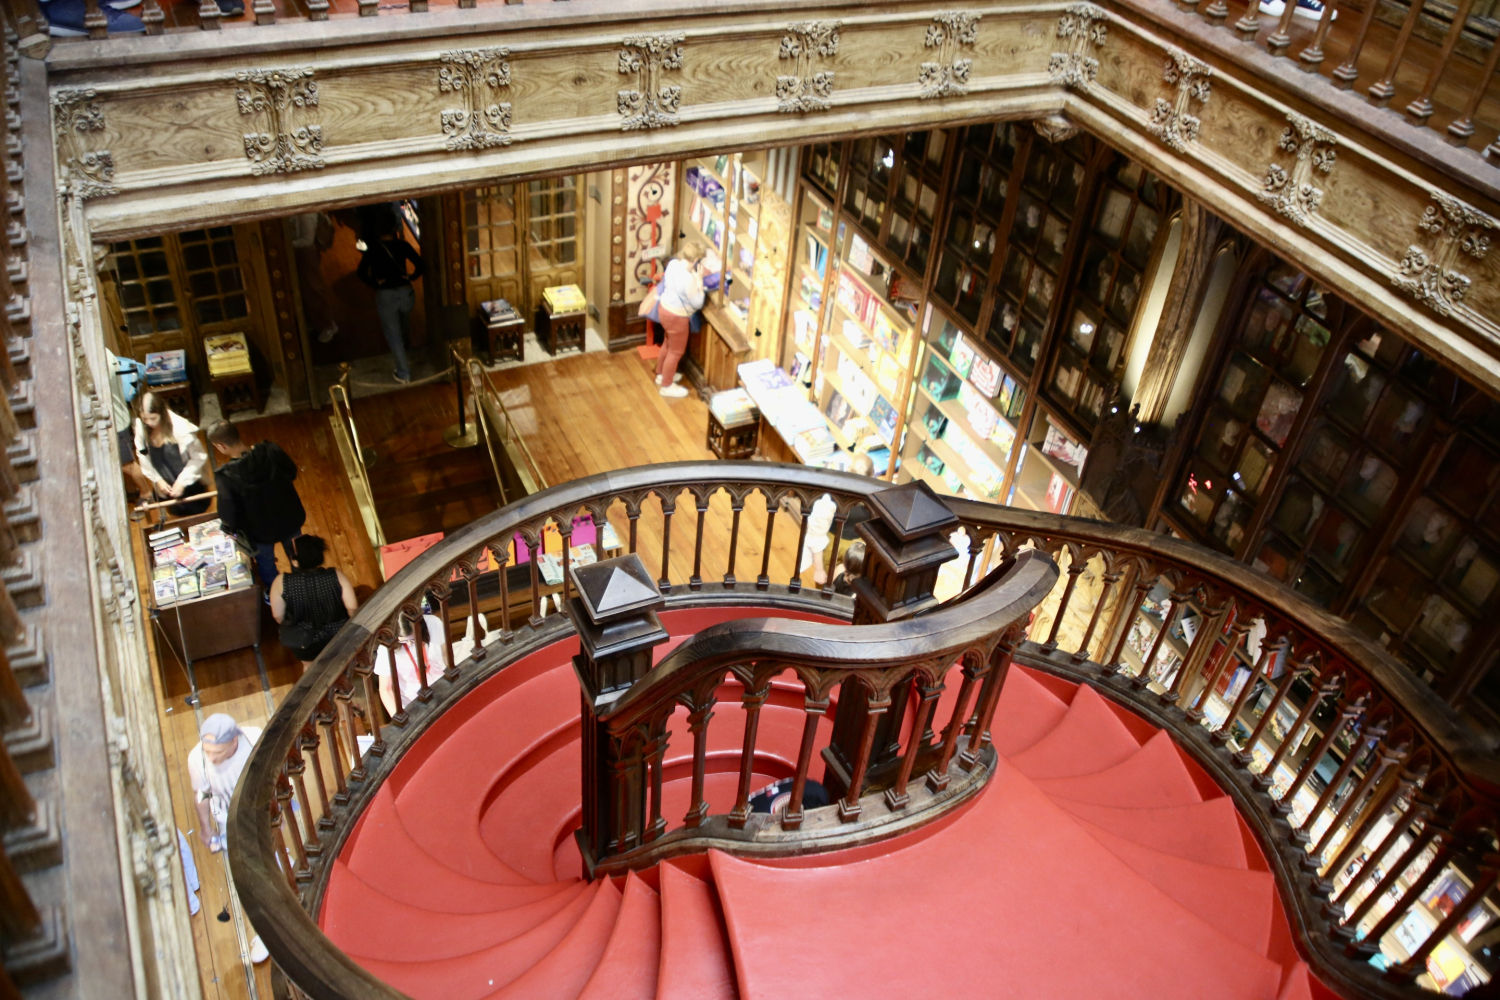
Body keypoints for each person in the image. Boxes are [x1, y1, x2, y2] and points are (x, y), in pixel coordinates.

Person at [186, 713, 268, 965]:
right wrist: (205, 829)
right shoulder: (197, 759)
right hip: (228, 825)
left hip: (261, 814)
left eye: (216, 752)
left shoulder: (255, 739)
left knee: (270, 856)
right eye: (207, 751)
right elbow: (202, 795)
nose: (211, 758)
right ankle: (265, 932)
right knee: (246, 879)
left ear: (234, 742)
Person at [206, 420, 305, 590]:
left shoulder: (226, 476)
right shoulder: (271, 450)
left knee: (266, 565)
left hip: (260, 532)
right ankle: (302, 589)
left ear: (221, 446)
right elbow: (291, 472)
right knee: (297, 557)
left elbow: (229, 512)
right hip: (289, 517)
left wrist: (229, 529)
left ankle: (275, 596)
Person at [356, 214, 425, 385]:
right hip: (405, 292)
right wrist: (411, 276)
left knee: (393, 334)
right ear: (394, 229)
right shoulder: (402, 245)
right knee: (404, 320)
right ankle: (407, 348)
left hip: (386, 294)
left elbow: (361, 273)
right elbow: (420, 264)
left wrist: (375, 283)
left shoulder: (373, 249)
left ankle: (404, 373)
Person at [270, 535, 357, 667]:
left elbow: (277, 615)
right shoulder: (336, 576)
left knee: (309, 668)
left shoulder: (281, 582)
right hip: (337, 635)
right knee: (341, 664)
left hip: (303, 640)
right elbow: (352, 608)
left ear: (295, 562)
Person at [134, 391, 211, 516]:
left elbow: (198, 457)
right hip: (166, 488)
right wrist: (158, 480)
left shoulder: (180, 428)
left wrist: (182, 481)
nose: (148, 423)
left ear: (162, 413)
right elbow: (143, 456)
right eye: (144, 419)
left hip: (190, 486)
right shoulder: (142, 428)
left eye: (153, 418)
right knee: (177, 516)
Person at [654, 241, 707, 398]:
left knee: (668, 343)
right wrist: (700, 282)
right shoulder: (688, 279)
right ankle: (667, 385)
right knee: (676, 352)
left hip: (664, 310)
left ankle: (661, 374)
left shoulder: (673, 264)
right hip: (677, 317)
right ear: (696, 260)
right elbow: (697, 302)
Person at [373, 612, 449, 717]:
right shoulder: (386, 648)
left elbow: (446, 655)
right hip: (415, 705)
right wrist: (400, 718)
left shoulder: (433, 623)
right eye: (404, 641)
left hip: (444, 692)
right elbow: (386, 689)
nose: (409, 644)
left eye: (413, 639)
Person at [289, 212, 339, 345]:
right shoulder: (304, 212)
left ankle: (327, 325)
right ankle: (317, 322)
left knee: (313, 289)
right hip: (304, 254)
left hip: (306, 255)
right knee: (308, 289)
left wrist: (286, 244)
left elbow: (307, 240)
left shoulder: (305, 214)